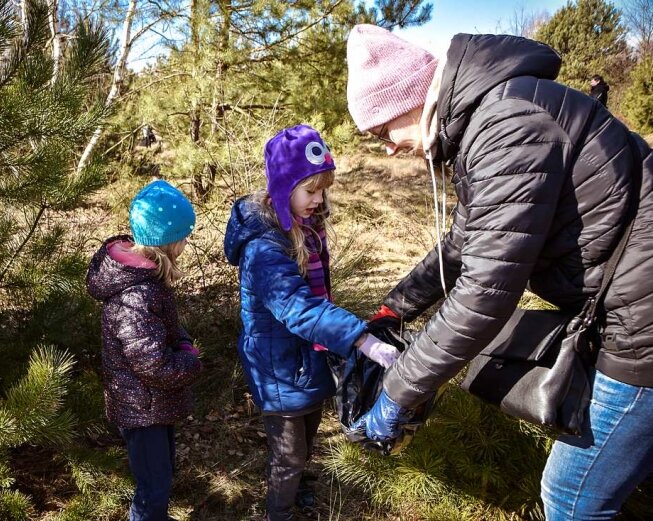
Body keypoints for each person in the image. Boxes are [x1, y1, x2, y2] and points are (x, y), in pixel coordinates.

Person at [345, 24, 653, 521]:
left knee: (573, 496)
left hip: (643, 320)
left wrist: (399, 392)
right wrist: (394, 307)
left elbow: (485, 292)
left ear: (409, 98)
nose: (386, 147)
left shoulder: (506, 125)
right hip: (631, 298)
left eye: (382, 131)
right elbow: (464, 242)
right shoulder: (492, 114)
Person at [223, 124, 401, 521]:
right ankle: (279, 512)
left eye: (323, 190)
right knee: (289, 453)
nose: (318, 200)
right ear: (283, 188)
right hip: (278, 367)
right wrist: (361, 339)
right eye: (310, 190)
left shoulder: (304, 230)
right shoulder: (264, 249)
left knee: (307, 435)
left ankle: (300, 489)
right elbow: (297, 308)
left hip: (306, 358)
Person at [86, 180, 202, 521]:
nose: (185, 243)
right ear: (169, 242)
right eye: (183, 237)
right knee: (153, 484)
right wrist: (190, 362)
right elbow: (153, 363)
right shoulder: (135, 295)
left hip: (152, 403)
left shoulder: (147, 281)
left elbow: (162, 327)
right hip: (142, 405)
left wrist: (181, 339)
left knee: (161, 475)